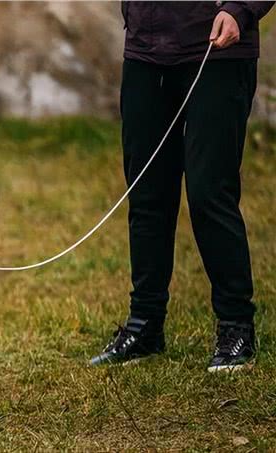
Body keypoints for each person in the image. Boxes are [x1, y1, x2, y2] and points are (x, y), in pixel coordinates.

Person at [90, 1, 274, 372]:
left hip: (217, 49)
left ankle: (236, 326)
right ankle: (145, 326)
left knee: (209, 193)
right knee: (146, 194)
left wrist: (241, 9)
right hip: (146, 49)